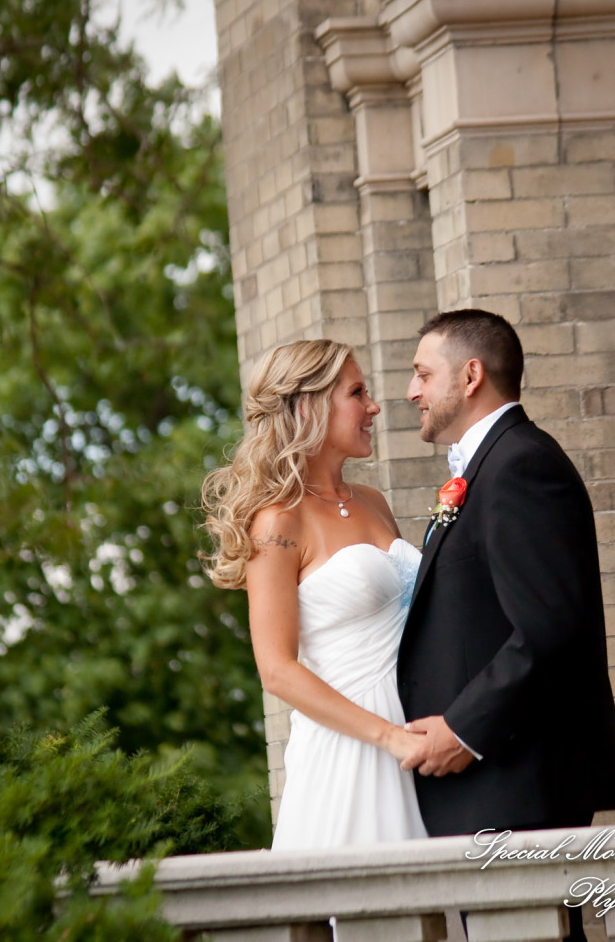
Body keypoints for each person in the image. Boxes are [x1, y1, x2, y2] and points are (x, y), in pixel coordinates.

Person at [398, 310, 615, 940]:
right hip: (493, 782)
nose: (411, 391)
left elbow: (550, 628)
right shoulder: (487, 467)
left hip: (513, 777)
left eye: (423, 374)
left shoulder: (521, 466)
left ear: (470, 375)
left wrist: (462, 731)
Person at [200, 339, 427, 849]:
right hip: (353, 747)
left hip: (417, 732)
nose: (373, 407)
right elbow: (277, 669)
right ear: (310, 406)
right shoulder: (278, 522)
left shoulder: (373, 501)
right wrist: (385, 736)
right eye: (357, 392)